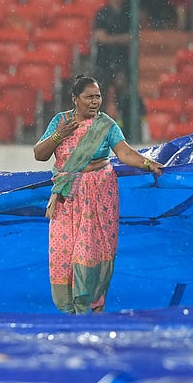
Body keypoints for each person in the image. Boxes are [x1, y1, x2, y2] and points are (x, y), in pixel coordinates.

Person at [33, 75, 163, 314]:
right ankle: (69, 313)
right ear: (75, 99)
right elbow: (39, 154)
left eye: (98, 96)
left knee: (90, 252)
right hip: (65, 197)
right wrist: (58, 135)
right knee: (63, 254)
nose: (95, 102)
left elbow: (124, 154)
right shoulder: (60, 121)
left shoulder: (106, 125)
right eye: (89, 97)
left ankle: (93, 310)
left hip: (99, 195)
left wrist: (148, 163)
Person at [91, 0, 132, 90]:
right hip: (103, 60)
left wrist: (111, 38)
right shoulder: (102, 13)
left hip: (122, 60)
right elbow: (101, 38)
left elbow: (134, 38)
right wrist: (121, 39)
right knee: (99, 91)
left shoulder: (129, 14)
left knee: (123, 90)